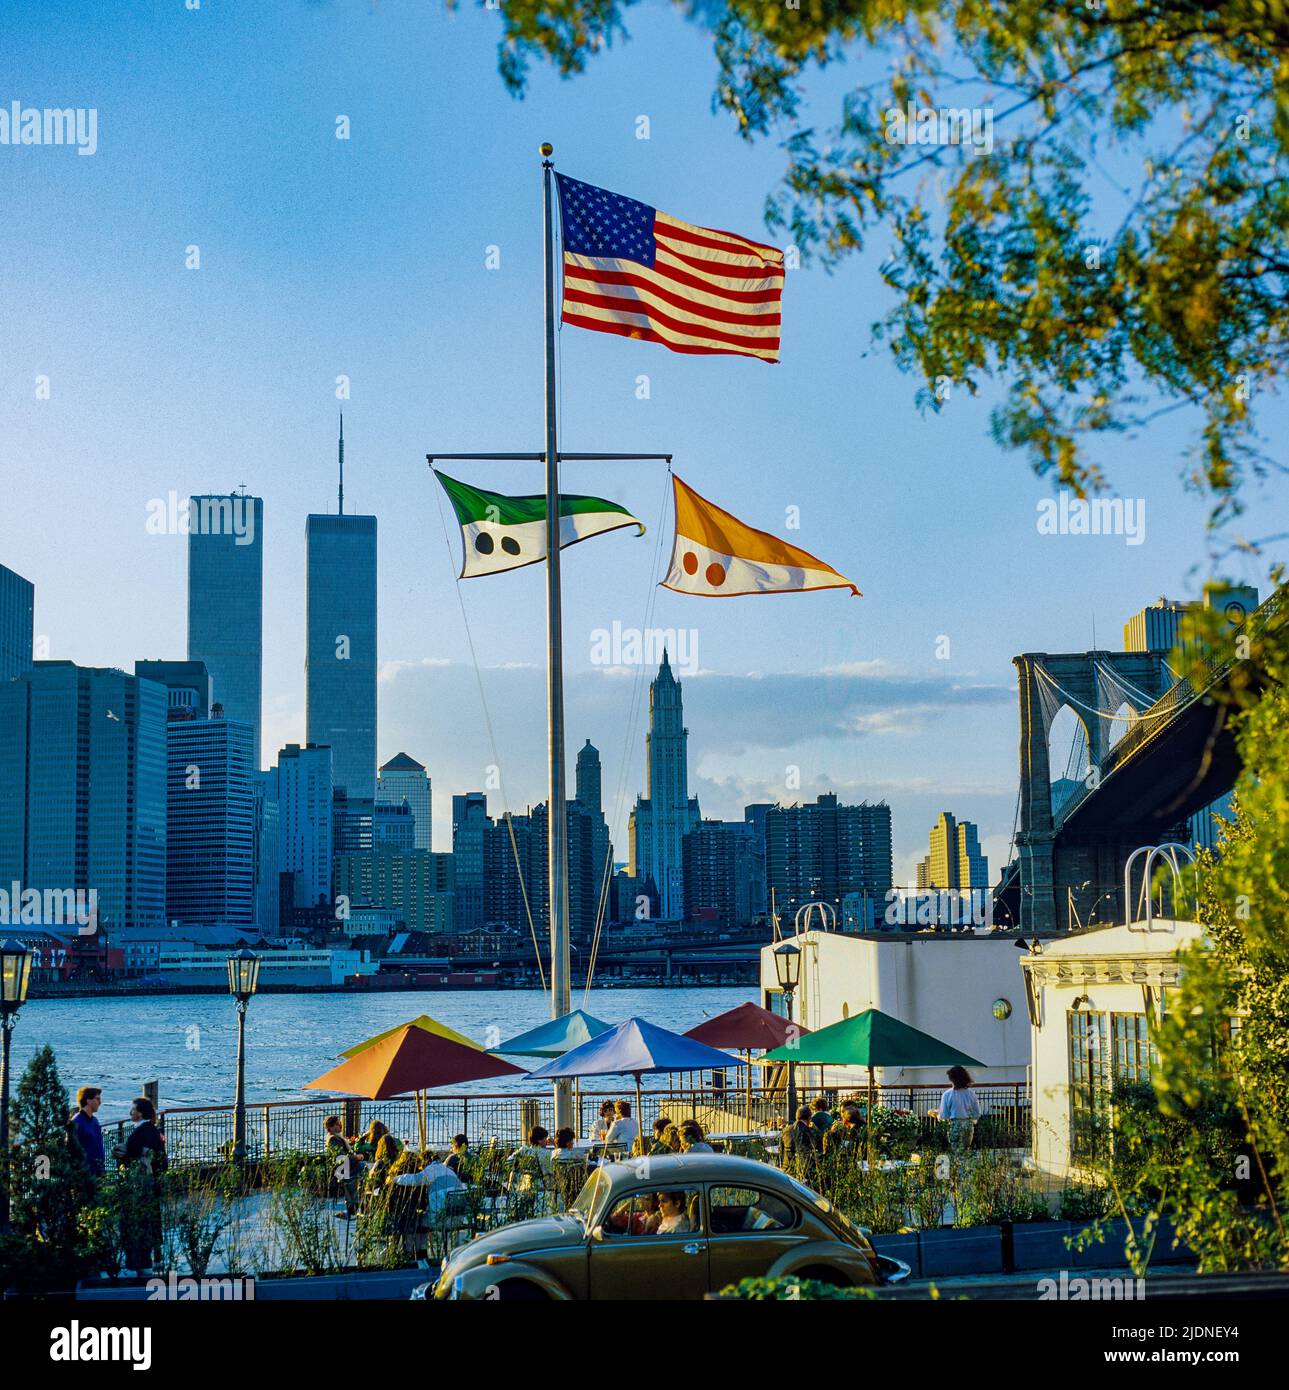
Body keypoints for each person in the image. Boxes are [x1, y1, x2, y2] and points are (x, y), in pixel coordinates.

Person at [118, 1098, 166, 1275]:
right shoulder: (154, 1131)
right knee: (151, 1222)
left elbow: (132, 1154)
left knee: (138, 1222)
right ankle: (153, 1259)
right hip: (152, 1184)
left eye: (133, 1109)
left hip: (139, 1186)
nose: (130, 1113)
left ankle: (137, 1262)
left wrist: (123, 1154)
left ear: (140, 1113)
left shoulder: (140, 1133)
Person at [939, 1066, 982, 1153]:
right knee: (965, 1151)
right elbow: (977, 1114)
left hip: (955, 1125)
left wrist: (937, 1115)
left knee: (956, 1151)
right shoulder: (971, 1094)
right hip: (968, 1125)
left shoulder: (947, 1095)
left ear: (951, 1079)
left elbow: (944, 1116)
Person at [70, 1086, 105, 1177]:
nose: (100, 1102)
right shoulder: (76, 1122)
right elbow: (71, 1149)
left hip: (98, 1170)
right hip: (84, 1174)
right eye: (97, 1099)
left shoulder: (95, 1121)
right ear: (88, 1100)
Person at [780, 1105, 819, 1170]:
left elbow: (781, 1150)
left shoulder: (786, 1130)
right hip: (802, 1170)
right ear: (809, 1118)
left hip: (786, 1168)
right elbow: (814, 1146)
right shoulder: (808, 1131)